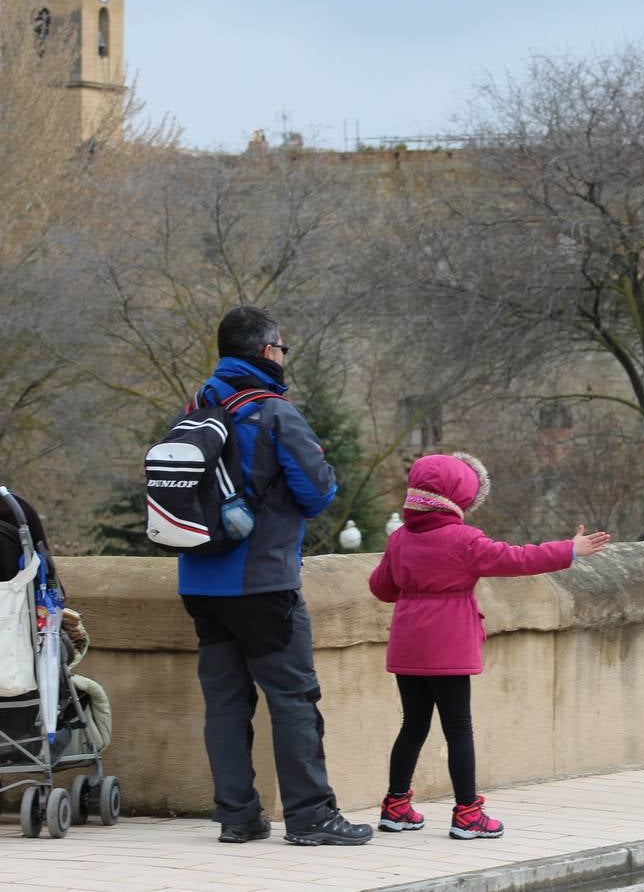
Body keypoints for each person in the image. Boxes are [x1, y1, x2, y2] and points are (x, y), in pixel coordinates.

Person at [177, 306, 372, 846]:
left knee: (224, 701)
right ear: (267, 352)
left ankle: (237, 818)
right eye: (281, 348)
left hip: (198, 579)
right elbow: (318, 493)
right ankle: (311, 816)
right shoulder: (274, 413)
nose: (283, 356)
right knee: (292, 697)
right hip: (261, 580)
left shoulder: (194, 406)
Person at [369, 453, 610, 839]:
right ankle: (467, 814)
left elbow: (382, 588)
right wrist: (569, 549)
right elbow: (517, 559)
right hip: (448, 646)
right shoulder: (465, 540)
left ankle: (395, 807)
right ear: (459, 496)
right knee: (459, 729)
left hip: (408, 644)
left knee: (412, 725)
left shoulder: (399, 538)